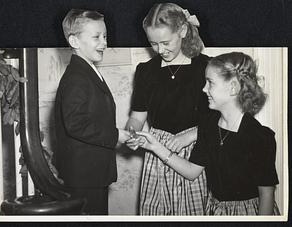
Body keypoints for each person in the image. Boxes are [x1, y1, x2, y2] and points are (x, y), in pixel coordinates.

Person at [136, 52, 280, 215]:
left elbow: (267, 194)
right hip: (215, 211)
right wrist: (155, 147)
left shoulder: (259, 136)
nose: (204, 89)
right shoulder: (208, 125)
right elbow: (191, 171)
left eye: (210, 83)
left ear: (233, 87)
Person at [125, 3, 210, 215]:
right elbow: (137, 117)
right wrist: (132, 133)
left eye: (165, 42)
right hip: (157, 150)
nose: (160, 50)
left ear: (182, 31)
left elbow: (220, 119)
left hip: (195, 153)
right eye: (153, 44)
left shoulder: (207, 67)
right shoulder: (146, 71)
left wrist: (190, 135)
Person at [54, 9, 130, 215]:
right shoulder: (77, 77)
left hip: (92, 174)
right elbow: (76, 124)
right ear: (74, 41)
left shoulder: (87, 71)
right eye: (96, 37)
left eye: (105, 36)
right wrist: (116, 135)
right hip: (84, 177)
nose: (104, 42)